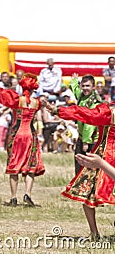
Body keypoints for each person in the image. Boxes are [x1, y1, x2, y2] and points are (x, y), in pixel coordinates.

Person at [44, 100, 115, 240]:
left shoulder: (108, 111)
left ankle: (94, 233)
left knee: (86, 192)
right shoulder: (108, 110)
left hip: (102, 154)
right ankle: (94, 233)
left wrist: (57, 110)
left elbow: (84, 114)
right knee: (88, 192)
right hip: (101, 155)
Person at [0, 73, 45, 206]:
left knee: (14, 164)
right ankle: (27, 194)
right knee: (30, 165)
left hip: (16, 135)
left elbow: (1, 94)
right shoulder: (37, 103)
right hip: (30, 135)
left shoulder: (17, 100)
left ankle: (13, 197)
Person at [68, 73, 101, 174]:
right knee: (78, 166)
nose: (85, 88)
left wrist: (86, 141)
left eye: (88, 86)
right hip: (82, 137)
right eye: (83, 86)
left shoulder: (94, 102)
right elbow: (75, 90)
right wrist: (74, 81)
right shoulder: (82, 96)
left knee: (89, 169)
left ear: (93, 87)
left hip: (91, 140)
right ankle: (78, 188)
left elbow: (90, 124)